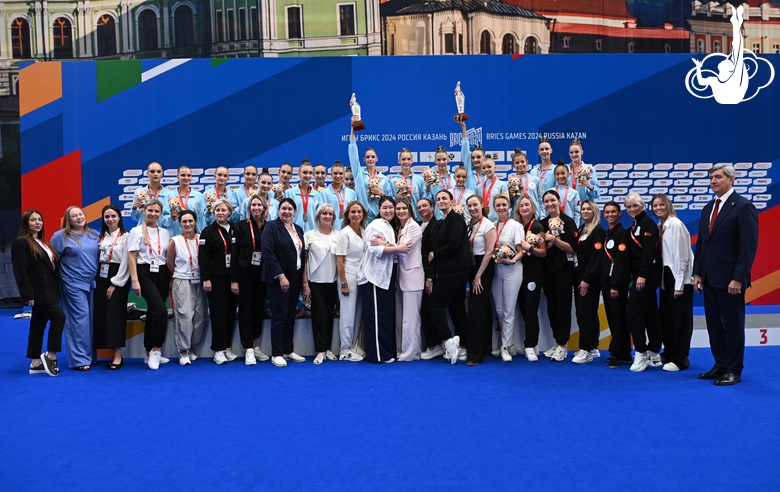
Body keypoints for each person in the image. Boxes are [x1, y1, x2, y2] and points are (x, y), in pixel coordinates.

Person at [693, 163, 758, 386]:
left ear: (731, 180)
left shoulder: (742, 206)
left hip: (731, 280)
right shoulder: (707, 208)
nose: (713, 181)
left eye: (718, 177)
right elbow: (702, 244)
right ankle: (719, 364)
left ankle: (733, 369)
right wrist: (698, 274)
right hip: (709, 279)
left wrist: (739, 277)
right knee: (714, 325)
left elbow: (748, 247)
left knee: (733, 325)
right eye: (711, 177)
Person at [12, 210, 65, 376]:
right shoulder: (21, 242)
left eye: (40, 219)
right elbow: (20, 271)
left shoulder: (43, 242)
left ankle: (35, 362)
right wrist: (28, 295)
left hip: (50, 290)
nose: (37, 222)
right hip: (38, 292)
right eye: (33, 220)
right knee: (59, 317)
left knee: (38, 325)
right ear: (26, 223)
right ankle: (51, 355)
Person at [420, 190, 470, 364]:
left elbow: (454, 244)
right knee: (456, 308)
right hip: (453, 271)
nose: (441, 201)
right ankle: (462, 346)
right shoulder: (446, 221)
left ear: (452, 201)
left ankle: (449, 342)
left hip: (454, 271)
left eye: (444, 198)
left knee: (433, 305)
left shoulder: (455, 219)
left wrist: (435, 253)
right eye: (438, 198)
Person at [358, 196, 408, 363]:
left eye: (391, 207)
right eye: (385, 207)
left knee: (385, 315)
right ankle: (378, 355)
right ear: (379, 209)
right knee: (377, 317)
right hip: (374, 277)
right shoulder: (376, 224)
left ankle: (386, 352)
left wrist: (388, 244)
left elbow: (386, 247)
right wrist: (398, 248)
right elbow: (375, 249)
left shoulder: (390, 226)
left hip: (386, 276)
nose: (389, 210)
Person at [51, 206, 100, 371]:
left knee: (90, 320)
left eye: (80, 214)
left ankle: (90, 356)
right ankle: (80, 359)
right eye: (74, 216)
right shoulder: (60, 236)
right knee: (79, 321)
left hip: (92, 283)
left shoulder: (94, 234)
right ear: (68, 219)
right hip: (72, 284)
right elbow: (51, 261)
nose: (78, 217)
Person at [126, 200, 172, 370]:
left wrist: (170, 280)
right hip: (145, 273)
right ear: (144, 211)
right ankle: (157, 350)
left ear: (161, 213)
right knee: (160, 310)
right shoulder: (136, 231)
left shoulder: (165, 232)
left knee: (154, 312)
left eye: (157, 211)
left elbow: (167, 258)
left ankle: (147, 353)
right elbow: (131, 257)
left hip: (162, 273)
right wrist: (135, 280)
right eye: (150, 210)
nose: (153, 214)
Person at [262, 197, 307, 367]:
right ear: (278, 210)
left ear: (295, 212)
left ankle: (288, 350)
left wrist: (302, 280)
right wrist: (281, 276)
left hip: (294, 277)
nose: (287, 212)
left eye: (290, 209)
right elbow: (268, 253)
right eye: (284, 208)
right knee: (280, 316)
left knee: (290, 316)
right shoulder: (271, 227)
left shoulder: (299, 229)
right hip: (277, 279)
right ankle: (277, 353)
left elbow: (300, 255)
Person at [651, 194, 694, 372]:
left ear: (668, 205)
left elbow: (682, 257)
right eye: (655, 205)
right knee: (667, 318)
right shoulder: (661, 226)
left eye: (661, 204)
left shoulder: (675, 225)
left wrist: (679, 285)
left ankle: (680, 359)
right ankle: (669, 352)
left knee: (680, 320)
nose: (658, 208)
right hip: (667, 276)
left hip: (679, 277)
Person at [624, 193, 663, 373]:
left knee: (631, 311)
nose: (632, 209)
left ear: (643, 206)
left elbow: (648, 252)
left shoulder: (647, 224)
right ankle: (654, 352)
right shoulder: (635, 225)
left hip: (647, 275)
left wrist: (642, 275)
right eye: (629, 207)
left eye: (635, 206)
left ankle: (641, 351)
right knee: (650, 312)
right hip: (641, 274)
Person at [231, 195, 271, 365]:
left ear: (264, 208)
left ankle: (255, 346)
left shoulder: (269, 227)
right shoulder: (239, 227)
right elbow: (233, 255)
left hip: (263, 276)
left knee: (257, 311)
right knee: (246, 311)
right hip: (244, 276)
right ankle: (248, 348)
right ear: (249, 208)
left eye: (258, 205)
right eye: (253, 205)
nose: (256, 208)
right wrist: (234, 279)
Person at [199, 199, 239, 365]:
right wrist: (206, 278)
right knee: (218, 314)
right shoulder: (207, 232)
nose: (220, 213)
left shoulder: (236, 230)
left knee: (231, 313)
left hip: (233, 278)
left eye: (223, 210)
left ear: (229, 212)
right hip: (216, 279)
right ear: (213, 213)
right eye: (217, 210)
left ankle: (227, 346)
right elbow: (203, 257)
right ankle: (218, 349)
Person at [540, 190, 578, 362]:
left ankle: (563, 345)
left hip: (564, 270)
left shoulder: (568, 222)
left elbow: (571, 248)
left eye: (552, 200)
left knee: (563, 307)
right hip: (547, 271)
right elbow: (542, 250)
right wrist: (547, 240)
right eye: (546, 201)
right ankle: (557, 341)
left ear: (558, 201)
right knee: (552, 308)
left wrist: (554, 239)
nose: (550, 204)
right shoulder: (542, 224)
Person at [166, 210, 208, 365]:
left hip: (200, 280)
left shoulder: (202, 238)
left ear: (195, 222)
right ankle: (183, 350)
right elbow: (170, 263)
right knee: (184, 316)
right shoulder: (175, 241)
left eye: (190, 221)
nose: (188, 224)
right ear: (180, 224)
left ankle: (191, 347)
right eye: (184, 221)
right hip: (182, 280)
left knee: (200, 316)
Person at [94, 205, 130, 370]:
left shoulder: (125, 237)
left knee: (114, 315)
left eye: (113, 216)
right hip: (101, 275)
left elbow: (126, 262)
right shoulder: (100, 237)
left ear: (119, 217)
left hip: (118, 277)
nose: (110, 219)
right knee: (101, 313)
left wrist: (115, 283)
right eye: (107, 216)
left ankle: (117, 354)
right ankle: (99, 351)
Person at [303, 204, 340, 364]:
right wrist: (305, 284)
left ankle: (328, 348)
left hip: (332, 282)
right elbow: (304, 262)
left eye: (330, 214)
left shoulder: (339, 236)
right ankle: (320, 350)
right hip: (315, 282)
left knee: (330, 315)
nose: (327, 216)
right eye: (324, 213)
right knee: (319, 316)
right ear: (318, 216)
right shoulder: (309, 235)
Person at [490, 194, 525, 362]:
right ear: (494, 208)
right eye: (498, 205)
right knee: (499, 309)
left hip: (512, 269)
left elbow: (521, 250)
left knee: (508, 310)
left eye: (504, 204)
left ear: (509, 207)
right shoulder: (493, 225)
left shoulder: (515, 226)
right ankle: (508, 344)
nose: (501, 208)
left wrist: (511, 260)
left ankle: (505, 346)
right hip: (497, 269)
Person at [515, 195, 548, 361]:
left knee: (530, 309)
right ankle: (532, 345)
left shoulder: (537, 226)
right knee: (523, 308)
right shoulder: (518, 225)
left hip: (533, 273)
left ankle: (530, 344)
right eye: (522, 205)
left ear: (532, 207)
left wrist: (531, 248)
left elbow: (543, 252)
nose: (524, 208)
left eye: (527, 205)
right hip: (519, 272)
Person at [572, 200, 605, 364]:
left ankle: (585, 349)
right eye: (583, 209)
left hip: (589, 279)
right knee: (588, 313)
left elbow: (596, 259)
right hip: (580, 277)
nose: (585, 211)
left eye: (588, 209)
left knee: (585, 313)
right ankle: (593, 346)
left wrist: (586, 279)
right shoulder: (581, 229)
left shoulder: (597, 231)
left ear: (594, 212)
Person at [465, 195, 496, 365]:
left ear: (482, 205)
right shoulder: (470, 224)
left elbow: (489, 252)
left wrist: (478, 276)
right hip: (472, 265)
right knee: (483, 308)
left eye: (475, 205)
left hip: (483, 267)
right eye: (469, 206)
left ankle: (474, 355)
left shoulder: (488, 225)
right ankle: (486, 348)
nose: (472, 208)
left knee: (476, 310)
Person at [601, 201, 632, 369]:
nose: (610, 214)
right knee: (615, 318)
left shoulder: (621, 233)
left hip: (616, 285)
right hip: (607, 284)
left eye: (613, 212)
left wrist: (615, 285)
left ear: (620, 214)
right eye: (607, 212)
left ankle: (616, 353)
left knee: (617, 319)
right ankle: (625, 352)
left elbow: (621, 261)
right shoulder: (609, 233)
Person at [336, 200, 367, 361]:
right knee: (348, 315)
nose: (356, 215)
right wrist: (344, 283)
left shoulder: (363, 230)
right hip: (347, 277)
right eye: (353, 212)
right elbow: (339, 260)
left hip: (361, 277)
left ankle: (354, 345)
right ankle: (345, 350)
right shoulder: (345, 233)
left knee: (358, 314)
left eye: (359, 212)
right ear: (348, 214)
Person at [393, 199, 424, 362]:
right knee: (401, 317)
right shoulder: (401, 227)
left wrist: (384, 244)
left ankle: (411, 352)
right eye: (398, 208)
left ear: (410, 210)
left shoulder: (413, 227)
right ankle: (401, 349)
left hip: (412, 277)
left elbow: (404, 250)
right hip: (402, 276)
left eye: (404, 208)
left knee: (410, 318)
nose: (401, 211)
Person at [349, 116, 393, 221]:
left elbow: (391, 200)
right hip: (362, 218)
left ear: (377, 159)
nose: (370, 159)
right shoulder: (359, 174)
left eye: (372, 157)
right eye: (368, 157)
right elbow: (353, 151)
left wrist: (382, 194)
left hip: (380, 218)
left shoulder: (384, 179)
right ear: (364, 159)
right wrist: (353, 128)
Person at [417, 197, 440, 358]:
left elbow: (434, 254)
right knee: (424, 309)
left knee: (428, 309)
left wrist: (430, 278)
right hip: (421, 272)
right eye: (419, 207)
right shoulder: (420, 225)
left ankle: (434, 345)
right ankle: (433, 343)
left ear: (432, 207)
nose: (422, 209)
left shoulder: (436, 226)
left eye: (425, 206)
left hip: (431, 275)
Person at [160, 165, 207, 236]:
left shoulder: (198, 196)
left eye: (189, 175)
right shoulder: (169, 195)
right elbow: (163, 219)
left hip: (194, 236)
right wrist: (171, 218)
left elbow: (201, 218)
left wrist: (203, 235)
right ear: (177, 177)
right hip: (175, 235)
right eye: (183, 175)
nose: (186, 178)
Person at [388, 148, 426, 222]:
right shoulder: (393, 182)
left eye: (408, 159)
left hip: (417, 219)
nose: (406, 161)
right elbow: (389, 202)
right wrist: (396, 197)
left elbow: (424, 199)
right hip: (399, 220)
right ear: (399, 161)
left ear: (412, 161)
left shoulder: (419, 180)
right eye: (403, 159)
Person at [318, 161, 357, 231]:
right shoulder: (324, 193)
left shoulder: (352, 193)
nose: (338, 176)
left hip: (348, 231)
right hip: (330, 232)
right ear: (331, 174)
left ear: (344, 174)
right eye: (335, 173)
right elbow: (321, 215)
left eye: (341, 173)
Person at [283, 159, 320, 232]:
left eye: (310, 173)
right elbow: (284, 216)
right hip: (293, 233)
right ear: (299, 173)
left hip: (312, 234)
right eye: (305, 172)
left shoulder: (317, 195)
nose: (307, 175)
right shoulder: (289, 193)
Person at [508, 148, 543, 219]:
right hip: (517, 218)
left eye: (522, 162)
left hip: (535, 217)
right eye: (517, 163)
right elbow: (508, 204)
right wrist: (509, 195)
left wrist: (542, 216)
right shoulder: (510, 183)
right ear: (513, 165)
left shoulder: (535, 180)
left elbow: (541, 200)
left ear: (527, 163)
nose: (520, 164)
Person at [456, 116, 486, 191]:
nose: (475, 160)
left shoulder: (488, 174)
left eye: (478, 157)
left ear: (484, 157)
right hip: (470, 202)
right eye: (473, 158)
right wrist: (463, 127)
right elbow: (465, 149)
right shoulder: (468, 172)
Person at [425, 146, 456, 220]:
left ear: (448, 160)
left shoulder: (454, 177)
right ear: (435, 161)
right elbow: (429, 202)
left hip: (454, 215)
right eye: (439, 160)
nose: (441, 162)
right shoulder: (431, 179)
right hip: (439, 218)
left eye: (444, 159)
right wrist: (427, 189)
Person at [131, 161, 165, 225]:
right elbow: (135, 217)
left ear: (162, 174)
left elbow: (168, 218)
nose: (155, 174)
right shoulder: (139, 192)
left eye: (158, 171)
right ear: (147, 173)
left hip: (161, 230)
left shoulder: (168, 194)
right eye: (152, 171)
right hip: (144, 229)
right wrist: (134, 208)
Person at [475, 156, 508, 222]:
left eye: (489, 167)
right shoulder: (478, 187)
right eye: (484, 168)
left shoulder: (502, 185)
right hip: (483, 221)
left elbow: (506, 204)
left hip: (498, 221)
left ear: (495, 167)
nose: (486, 169)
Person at [552, 161, 581, 226]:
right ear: (554, 176)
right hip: (553, 225)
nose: (560, 176)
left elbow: (577, 213)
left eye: (563, 173)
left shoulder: (574, 193)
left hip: (570, 225)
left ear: (568, 174)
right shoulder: (551, 192)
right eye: (557, 174)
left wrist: (575, 227)